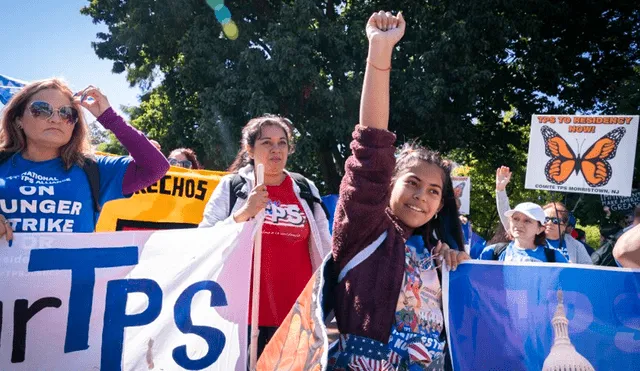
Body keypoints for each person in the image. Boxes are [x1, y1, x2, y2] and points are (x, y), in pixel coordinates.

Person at [327, 11, 468, 370]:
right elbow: (371, 146)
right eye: (413, 183)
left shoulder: (436, 255)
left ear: (441, 205)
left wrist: (459, 272)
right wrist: (380, 51)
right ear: (388, 184)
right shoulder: (363, 230)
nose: (422, 196)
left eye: (434, 191)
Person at [198, 114, 331, 358]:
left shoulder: (305, 187)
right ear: (249, 149)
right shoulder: (233, 186)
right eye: (266, 142)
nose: (276, 149)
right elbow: (205, 239)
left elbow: (324, 245)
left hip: (297, 315)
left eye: (282, 142)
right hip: (245, 315)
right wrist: (244, 213)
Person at [0, 78, 169, 242]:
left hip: (74, 271)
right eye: (42, 109)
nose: (56, 119)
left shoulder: (94, 168)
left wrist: (109, 117)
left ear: (75, 124)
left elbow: (156, 167)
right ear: (18, 119)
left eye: (67, 113)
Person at [495, 166, 592, 264]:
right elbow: (506, 215)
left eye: (555, 221)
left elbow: (588, 272)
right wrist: (500, 190)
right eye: (546, 219)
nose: (549, 223)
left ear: (565, 225)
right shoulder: (525, 236)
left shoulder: (576, 246)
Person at [479, 202, 567, 263]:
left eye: (527, 221)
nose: (519, 224)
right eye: (515, 219)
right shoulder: (492, 252)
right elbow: (474, 280)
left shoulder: (554, 257)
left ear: (540, 229)